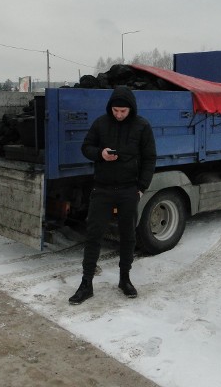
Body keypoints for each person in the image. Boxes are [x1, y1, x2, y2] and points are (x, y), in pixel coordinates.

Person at [69, 86, 157, 305]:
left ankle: (124, 279)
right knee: (94, 235)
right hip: (102, 188)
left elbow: (150, 158)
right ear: (111, 108)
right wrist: (100, 154)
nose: (119, 115)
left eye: (123, 111)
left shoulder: (142, 126)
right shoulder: (101, 123)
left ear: (131, 109)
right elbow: (85, 147)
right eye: (116, 110)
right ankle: (86, 283)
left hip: (129, 189)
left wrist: (141, 187)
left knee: (128, 236)